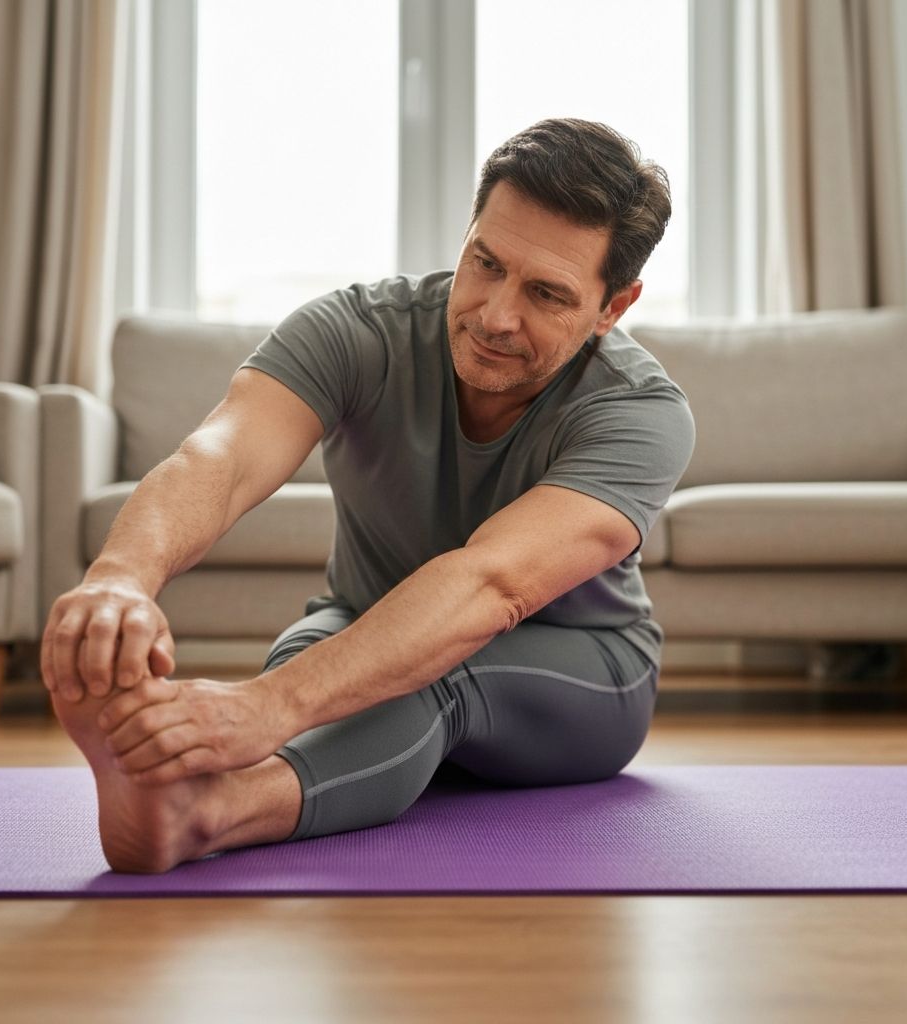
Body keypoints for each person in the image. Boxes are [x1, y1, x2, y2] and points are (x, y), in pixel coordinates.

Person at [41, 117, 696, 874]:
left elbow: (490, 586)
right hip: (357, 622)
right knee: (312, 654)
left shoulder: (641, 413)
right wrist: (121, 577)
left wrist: (270, 707)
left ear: (614, 306)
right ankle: (173, 789)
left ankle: (210, 813)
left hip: (584, 677)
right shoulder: (357, 331)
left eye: (547, 294)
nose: (495, 315)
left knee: (424, 671)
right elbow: (219, 459)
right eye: (485, 263)